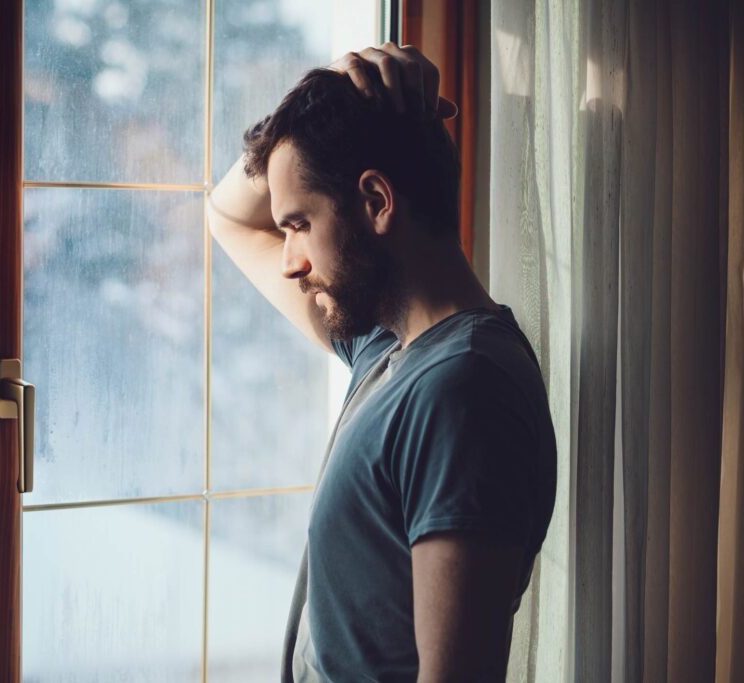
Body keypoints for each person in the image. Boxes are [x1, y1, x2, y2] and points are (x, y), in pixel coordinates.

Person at [206, 44, 558, 682]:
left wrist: (325, 112)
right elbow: (227, 214)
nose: (288, 259)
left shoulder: (463, 389)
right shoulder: (383, 348)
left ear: (375, 201)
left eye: (299, 224)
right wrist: (334, 90)